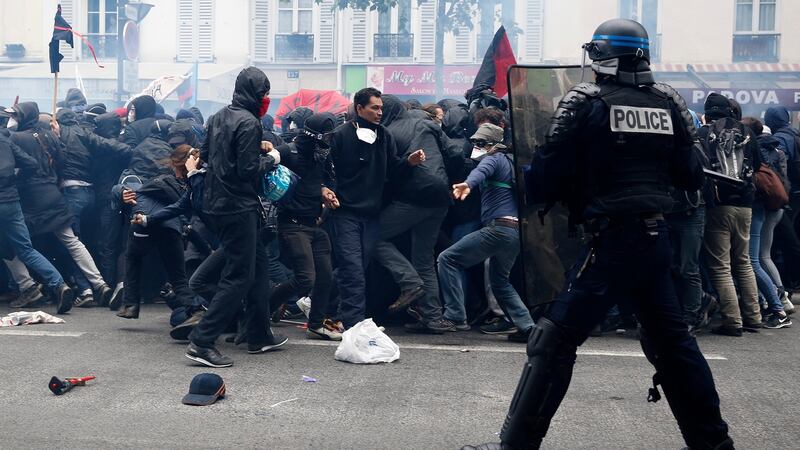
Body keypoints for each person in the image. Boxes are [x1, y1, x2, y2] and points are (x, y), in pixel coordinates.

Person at [464, 19, 732, 450]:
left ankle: (514, 446)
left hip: (612, 239)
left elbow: (546, 176)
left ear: (603, 53)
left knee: (552, 340)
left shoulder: (585, 100)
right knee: (673, 344)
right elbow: (690, 175)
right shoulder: (669, 102)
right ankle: (714, 444)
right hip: (654, 236)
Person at [187, 66, 282, 368]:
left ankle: (258, 333)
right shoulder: (250, 122)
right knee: (239, 276)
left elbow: (203, 154)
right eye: (264, 93)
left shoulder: (217, 117)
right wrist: (271, 158)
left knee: (259, 266)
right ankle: (202, 341)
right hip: (237, 205)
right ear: (255, 93)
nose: (267, 98)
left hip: (216, 203)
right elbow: (247, 170)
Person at [327, 87, 425, 329]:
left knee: (358, 268)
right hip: (345, 214)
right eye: (374, 108)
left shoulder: (384, 136)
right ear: (359, 109)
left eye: (381, 108)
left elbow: (393, 169)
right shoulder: (340, 135)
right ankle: (354, 325)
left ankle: (325, 309)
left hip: (371, 216)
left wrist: (408, 163)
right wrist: (325, 191)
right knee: (352, 269)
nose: (379, 112)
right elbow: (327, 171)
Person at [6, 102, 112, 310]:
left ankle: (29, 286)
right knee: (72, 242)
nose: (14, 119)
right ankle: (99, 284)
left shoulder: (16, 138)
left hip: (30, 199)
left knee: (15, 245)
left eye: (16, 115)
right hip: (54, 194)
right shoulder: (50, 136)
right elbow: (62, 161)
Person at [375, 94, 462, 333]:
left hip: (414, 196)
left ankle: (409, 282)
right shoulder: (427, 122)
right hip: (441, 196)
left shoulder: (388, 131)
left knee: (373, 236)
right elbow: (454, 154)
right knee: (424, 258)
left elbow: (388, 172)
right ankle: (433, 317)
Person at [439, 123, 533, 340]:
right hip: (515, 231)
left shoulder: (494, 158)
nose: (476, 147)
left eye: (480, 143)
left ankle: (454, 315)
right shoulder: (513, 162)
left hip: (498, 228)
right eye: (474, 143)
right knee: (500, 281)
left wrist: (467, 185)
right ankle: (528, 328)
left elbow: (481, 172)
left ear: (493, 144)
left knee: (448, 259)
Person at [270, 112, 341, 340]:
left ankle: (316, 323)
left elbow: (319, 181)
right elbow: (262, 171)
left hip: (314, 225)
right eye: (326, 138)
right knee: (305, 278)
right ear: (314, 136)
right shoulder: (287, 151)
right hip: (292, 225)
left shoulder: (320, 156)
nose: (329, 143)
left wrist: (324, 191)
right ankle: (258, 311)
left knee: (325, 277)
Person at [699, 94, 763, 336]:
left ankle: (732, 321)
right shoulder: (746, 131)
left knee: (720, 266)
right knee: (743, 262)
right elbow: (757, 165)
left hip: (719, 204)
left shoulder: (704, 133)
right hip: (746, 204)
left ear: (707, 113)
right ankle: (753, 317)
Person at [0, 117, 74, 312]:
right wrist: (13, 180)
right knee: (24, 249)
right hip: (11, 202)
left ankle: (28, 287)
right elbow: (31, 164)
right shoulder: (6, 140)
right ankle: (59, 284)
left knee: (10, 248)